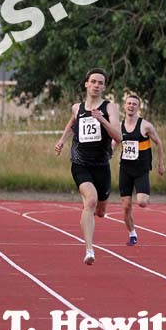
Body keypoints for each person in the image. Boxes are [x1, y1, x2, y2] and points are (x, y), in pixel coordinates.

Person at [54, 68, 121, 265]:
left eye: (100, 83)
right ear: (86, 84)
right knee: (90, 202)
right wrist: (62, 141)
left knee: (99, 211)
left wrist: (101, 120)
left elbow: (118, 136)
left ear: (104, 87)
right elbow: (71, 123)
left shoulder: (110, 108)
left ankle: (88, 215)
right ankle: (89, 250)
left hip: (101, 165)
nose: (96, 85)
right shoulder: (77, 107)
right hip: (80, 164)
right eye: (93, 81)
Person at [117, 95, 165, 246]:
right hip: (125, 169)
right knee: (125, 207)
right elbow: (114, 142)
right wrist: (107, 153)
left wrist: (160, 164)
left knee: (142, 202)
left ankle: (144, 193)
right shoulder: (119, 126)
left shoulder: (146, 126)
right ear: (124, 106)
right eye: (129, 103)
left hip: (141, 169)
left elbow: (159, 143)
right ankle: (132, 234)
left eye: (134, 104)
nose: (131, 106)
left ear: (138, 107)